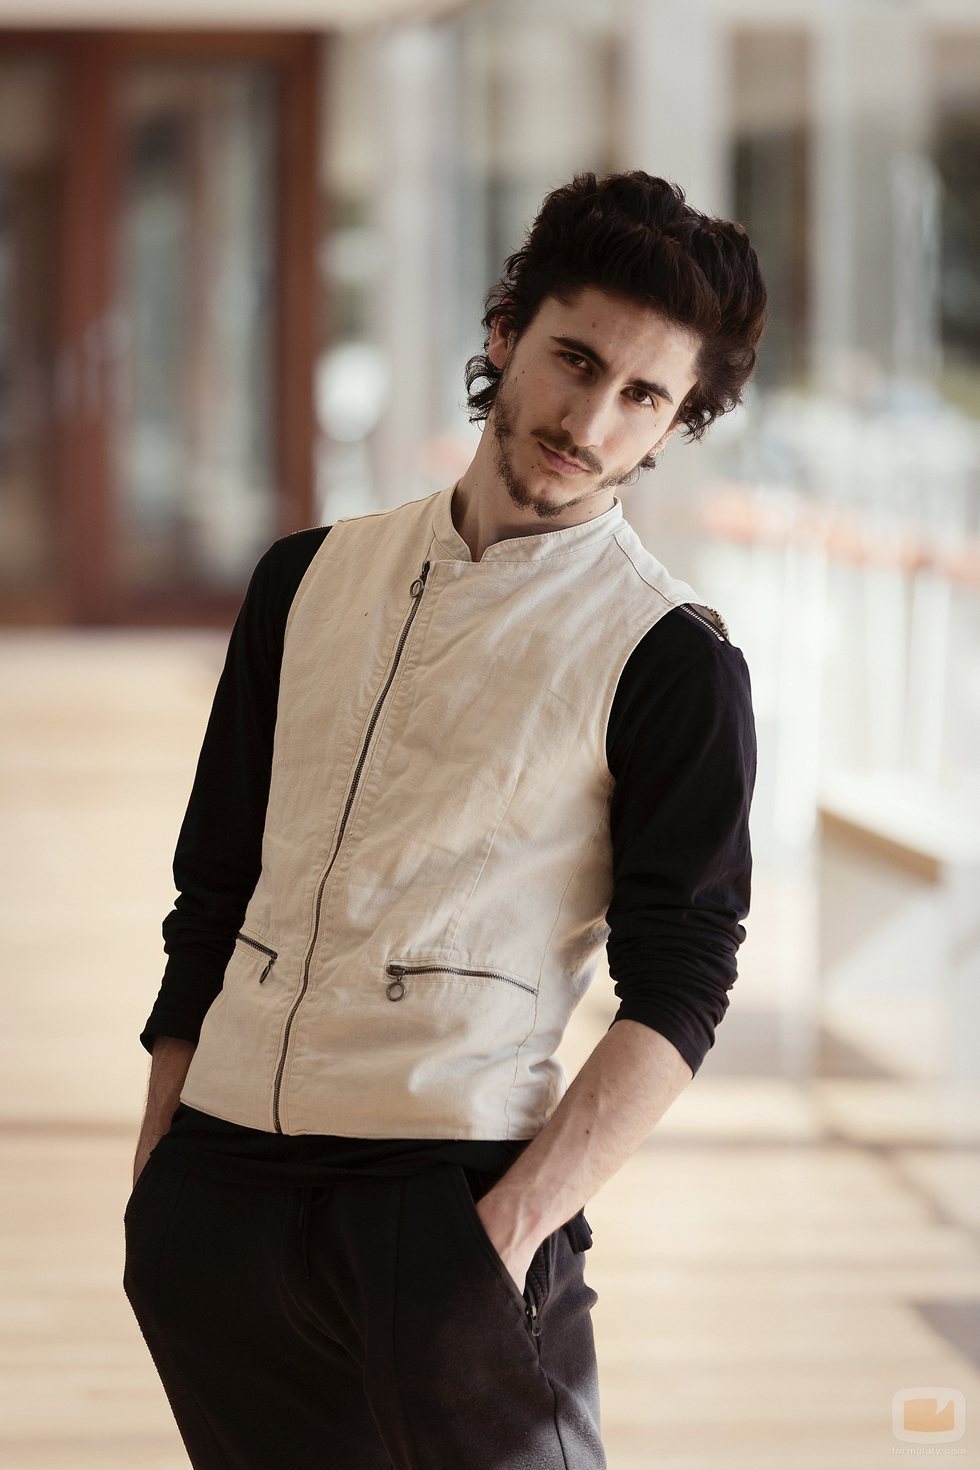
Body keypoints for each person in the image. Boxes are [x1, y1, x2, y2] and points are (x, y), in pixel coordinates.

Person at [123, 169, 766, 1470]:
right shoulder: (303, 580)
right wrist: (162, 1174)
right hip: (222, 1197)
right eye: (574, 359)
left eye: (643, 395)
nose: (590, 418)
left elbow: (684, 982)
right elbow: (217, 883)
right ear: (505, 333)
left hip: (448, 1207)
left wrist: (508, 1235)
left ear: (677, 421)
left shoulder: (671, 658)